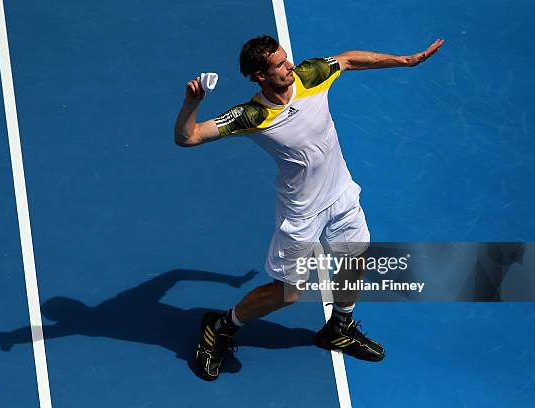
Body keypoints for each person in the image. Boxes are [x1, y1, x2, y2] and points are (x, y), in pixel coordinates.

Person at [174, 35, 444, 380]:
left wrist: (406, 60)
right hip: (301, 213)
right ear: (259, 75)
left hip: (341, 194)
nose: (290, 66)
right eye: (280, 65)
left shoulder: (311, 74)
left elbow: (347, 58)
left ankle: (339, 327)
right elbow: (188, 137)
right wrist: (190, 104)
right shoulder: (250, 115)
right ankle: (221, 326)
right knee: (287, 292)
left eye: (287, 59)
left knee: (354, 258)